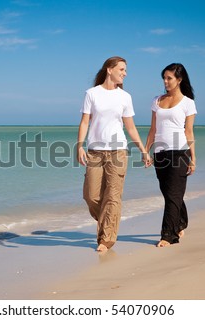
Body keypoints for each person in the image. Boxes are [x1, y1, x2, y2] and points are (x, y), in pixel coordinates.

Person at [77, 56, 149, 253]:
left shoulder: (125, 97)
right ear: (109, 69)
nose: (125, 73)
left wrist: (143, 150)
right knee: (90, 195)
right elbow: (85, 122)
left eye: (126, 70)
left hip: (118, 152)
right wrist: (79, 146)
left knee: (113, 197)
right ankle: (107, 221)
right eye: (122, 69)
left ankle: (106, 239)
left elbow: (131, 128)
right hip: (94, 152)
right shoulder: (91, 94)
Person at [145, 63, 197, 247]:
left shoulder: (188, 103)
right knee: (170, 194)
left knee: (173, 195)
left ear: (179, 80)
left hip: (179, 153)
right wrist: (146, 151)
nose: (165, 82)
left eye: (169, 78)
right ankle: (180, 222)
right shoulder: (157, 100)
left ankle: (168, 235)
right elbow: (153, 129)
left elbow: (189, 132)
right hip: (160, 153)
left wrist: (193, 158)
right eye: (164, 78)